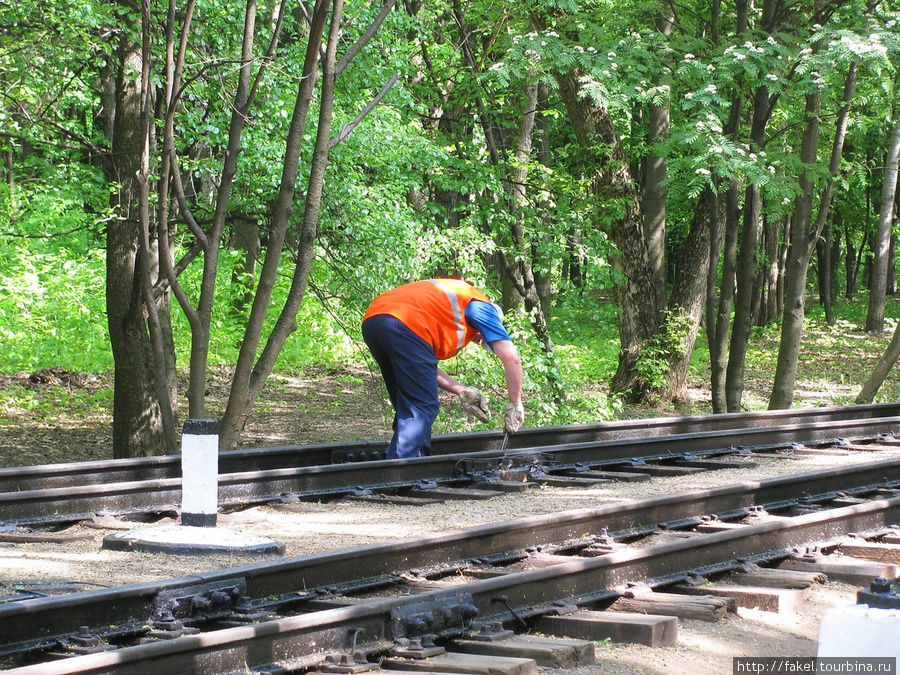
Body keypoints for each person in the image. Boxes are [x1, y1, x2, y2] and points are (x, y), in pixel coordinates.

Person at [362, 278, 525, 459]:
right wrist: (515, 404)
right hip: (404, 323)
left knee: (410, 408)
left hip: (375, 320)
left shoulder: (441, 314)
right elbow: (512, 358)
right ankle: (397, 474)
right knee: (421, 407)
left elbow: (424, 368)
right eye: (484, 338)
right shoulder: (482, 307)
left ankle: (414, 466)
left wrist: (463, 391)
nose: (481, 342)